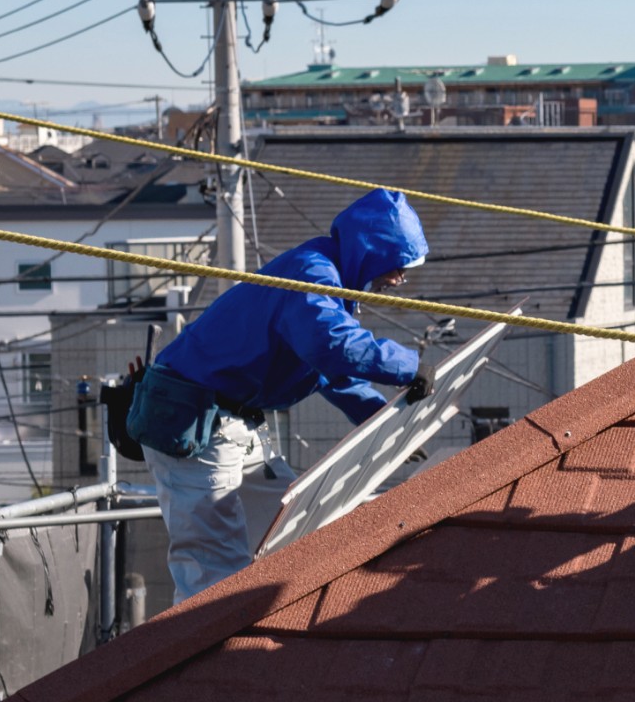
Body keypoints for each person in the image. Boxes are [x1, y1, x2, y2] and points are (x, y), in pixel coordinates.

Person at [128, 188, 432, 602]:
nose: (399, 279)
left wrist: (379, 417)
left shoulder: (327, 281)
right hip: (196, 421)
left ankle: (253, 640)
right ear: (372, 251)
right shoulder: (312, 277)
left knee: (293, 529)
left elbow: (326, 368)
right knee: (213, 573)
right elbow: (331, 346)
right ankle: (210, 661)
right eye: (398, 265)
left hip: (227, 421)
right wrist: (408, 366)